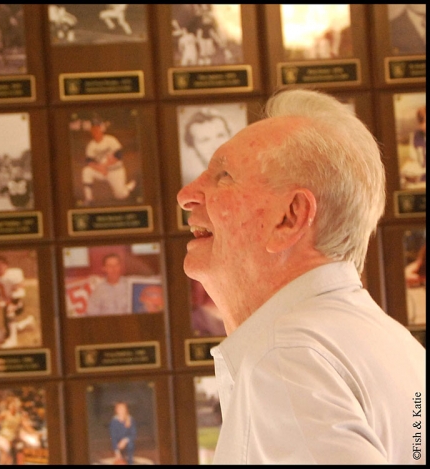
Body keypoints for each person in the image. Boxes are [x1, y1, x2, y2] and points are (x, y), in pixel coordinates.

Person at [176, 88, 426, 464]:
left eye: (223, 176)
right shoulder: (396, 344)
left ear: (289, 218)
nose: (186, 195)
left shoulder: (286, 357)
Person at [81, 116, 136, 206]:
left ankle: (127, 188)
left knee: (121, 195)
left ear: (101, 130)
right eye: (93, 129)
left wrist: (104, 166)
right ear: (91, 131)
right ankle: (89, 198)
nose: (96, 131)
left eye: (97, 129)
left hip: (115, 170)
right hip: (102, 171)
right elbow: (89, 162)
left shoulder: (111, 140)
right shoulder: (91, 145)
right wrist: (99, 168)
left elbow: (119, 155)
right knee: (86, 171)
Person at [0, 256, 32, 346]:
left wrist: (11, 304)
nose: (0, 268)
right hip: (5, 302)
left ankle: (13, 340)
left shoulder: (13, 275)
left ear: (6, 266)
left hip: (17, 302)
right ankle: (28, 321)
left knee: (10, 311)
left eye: (2, 265)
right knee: (9, 327)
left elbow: (19, 293)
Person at [182, 110, 232, 186]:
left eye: (220, 135)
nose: (216, 145)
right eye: (205, 140)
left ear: (230, 136)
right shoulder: (191, 185)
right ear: (193, 147)